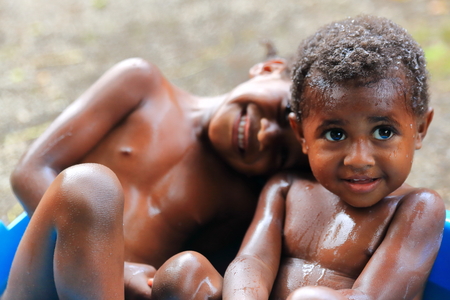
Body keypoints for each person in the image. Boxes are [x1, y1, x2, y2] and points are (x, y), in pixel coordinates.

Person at [1, 46, 307, 299]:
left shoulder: (239, 203)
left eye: (280, 154)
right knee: (90, 187)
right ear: (269, 69)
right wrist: (119, 270)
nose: (266, 135)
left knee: (194, 275)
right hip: (39, 284)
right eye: (282, 111)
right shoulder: (141, 84)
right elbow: (31, 170)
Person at [221, 15, 446, 300]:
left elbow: (371, 297)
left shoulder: (417, 208)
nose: (358, 159)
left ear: (420, 130)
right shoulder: (285, 189)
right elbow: (251, 262)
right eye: (336, 135)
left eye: (384, 132)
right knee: (185, 270)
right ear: (301, 134)